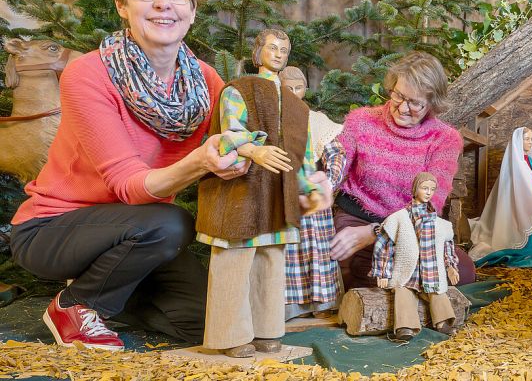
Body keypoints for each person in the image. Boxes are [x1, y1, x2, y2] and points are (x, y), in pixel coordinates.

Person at [9, 0, 245, 350]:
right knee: (172, 222)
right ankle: (75, 302)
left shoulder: (206, 82)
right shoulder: (89, 73)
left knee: (205, 324)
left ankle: (107, 297)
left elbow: (245, 136)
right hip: (52, 229)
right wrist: (198, 162)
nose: (162, 4)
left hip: (138, 234)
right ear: (122, 5)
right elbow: (129, 185)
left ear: (192, 9)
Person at [196, 29, 332, 358]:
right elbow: (230, 132)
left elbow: (301, 156)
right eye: (272, 47)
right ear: (258, 52)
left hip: (278, 192)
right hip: (241, 189)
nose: (279, 53)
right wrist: (254, 151)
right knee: (235, 258)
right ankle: (230, 335)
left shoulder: (296, 106)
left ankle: (267, 330)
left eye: (284, 49)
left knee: (271, 262)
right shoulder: (238, 89)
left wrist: (310, 188)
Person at [329, 52, 472, 289]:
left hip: (412, 228)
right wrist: (323, 184)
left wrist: (376, 233)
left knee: (463, 271)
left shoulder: (444, 139)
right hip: (356, 221)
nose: (403, 108)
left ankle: (381, 273)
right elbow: (337, 161)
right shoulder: (361, 121)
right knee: (370, 269)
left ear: (432, 103)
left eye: (415, 103)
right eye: (399, 96)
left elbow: (430, 205)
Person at [278, 66, 346, 321]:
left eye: (298, 87)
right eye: (288, 88)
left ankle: (321, 302)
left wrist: (328, 180)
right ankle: (285, 307)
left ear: (305, 89)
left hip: (312, 194)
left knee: (317, 249)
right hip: (283, 192)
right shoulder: (274, 117)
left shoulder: (315, 120)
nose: (294, 93)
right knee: (286, 250)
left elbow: (336, 152)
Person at [370, 172, 459, 341]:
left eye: (432, 189)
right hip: (408, 271)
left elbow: (447, 246)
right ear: (415, 189)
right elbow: (384, 245)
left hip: (430, 269)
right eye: (424, 188)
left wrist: (450, 266)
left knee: (437, 291)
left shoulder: (439, 223)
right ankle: (405, 326)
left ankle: (443, 322)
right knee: (403, 292)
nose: (428, 192)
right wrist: (382, 272)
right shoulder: (399, 218)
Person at [468, 127, 532, 267]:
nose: (530, 143)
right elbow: (523, 197)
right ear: (518, 141)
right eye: (527, 139)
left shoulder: (531, 163)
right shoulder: (514, 167)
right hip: (520, 215)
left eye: (531, 139)